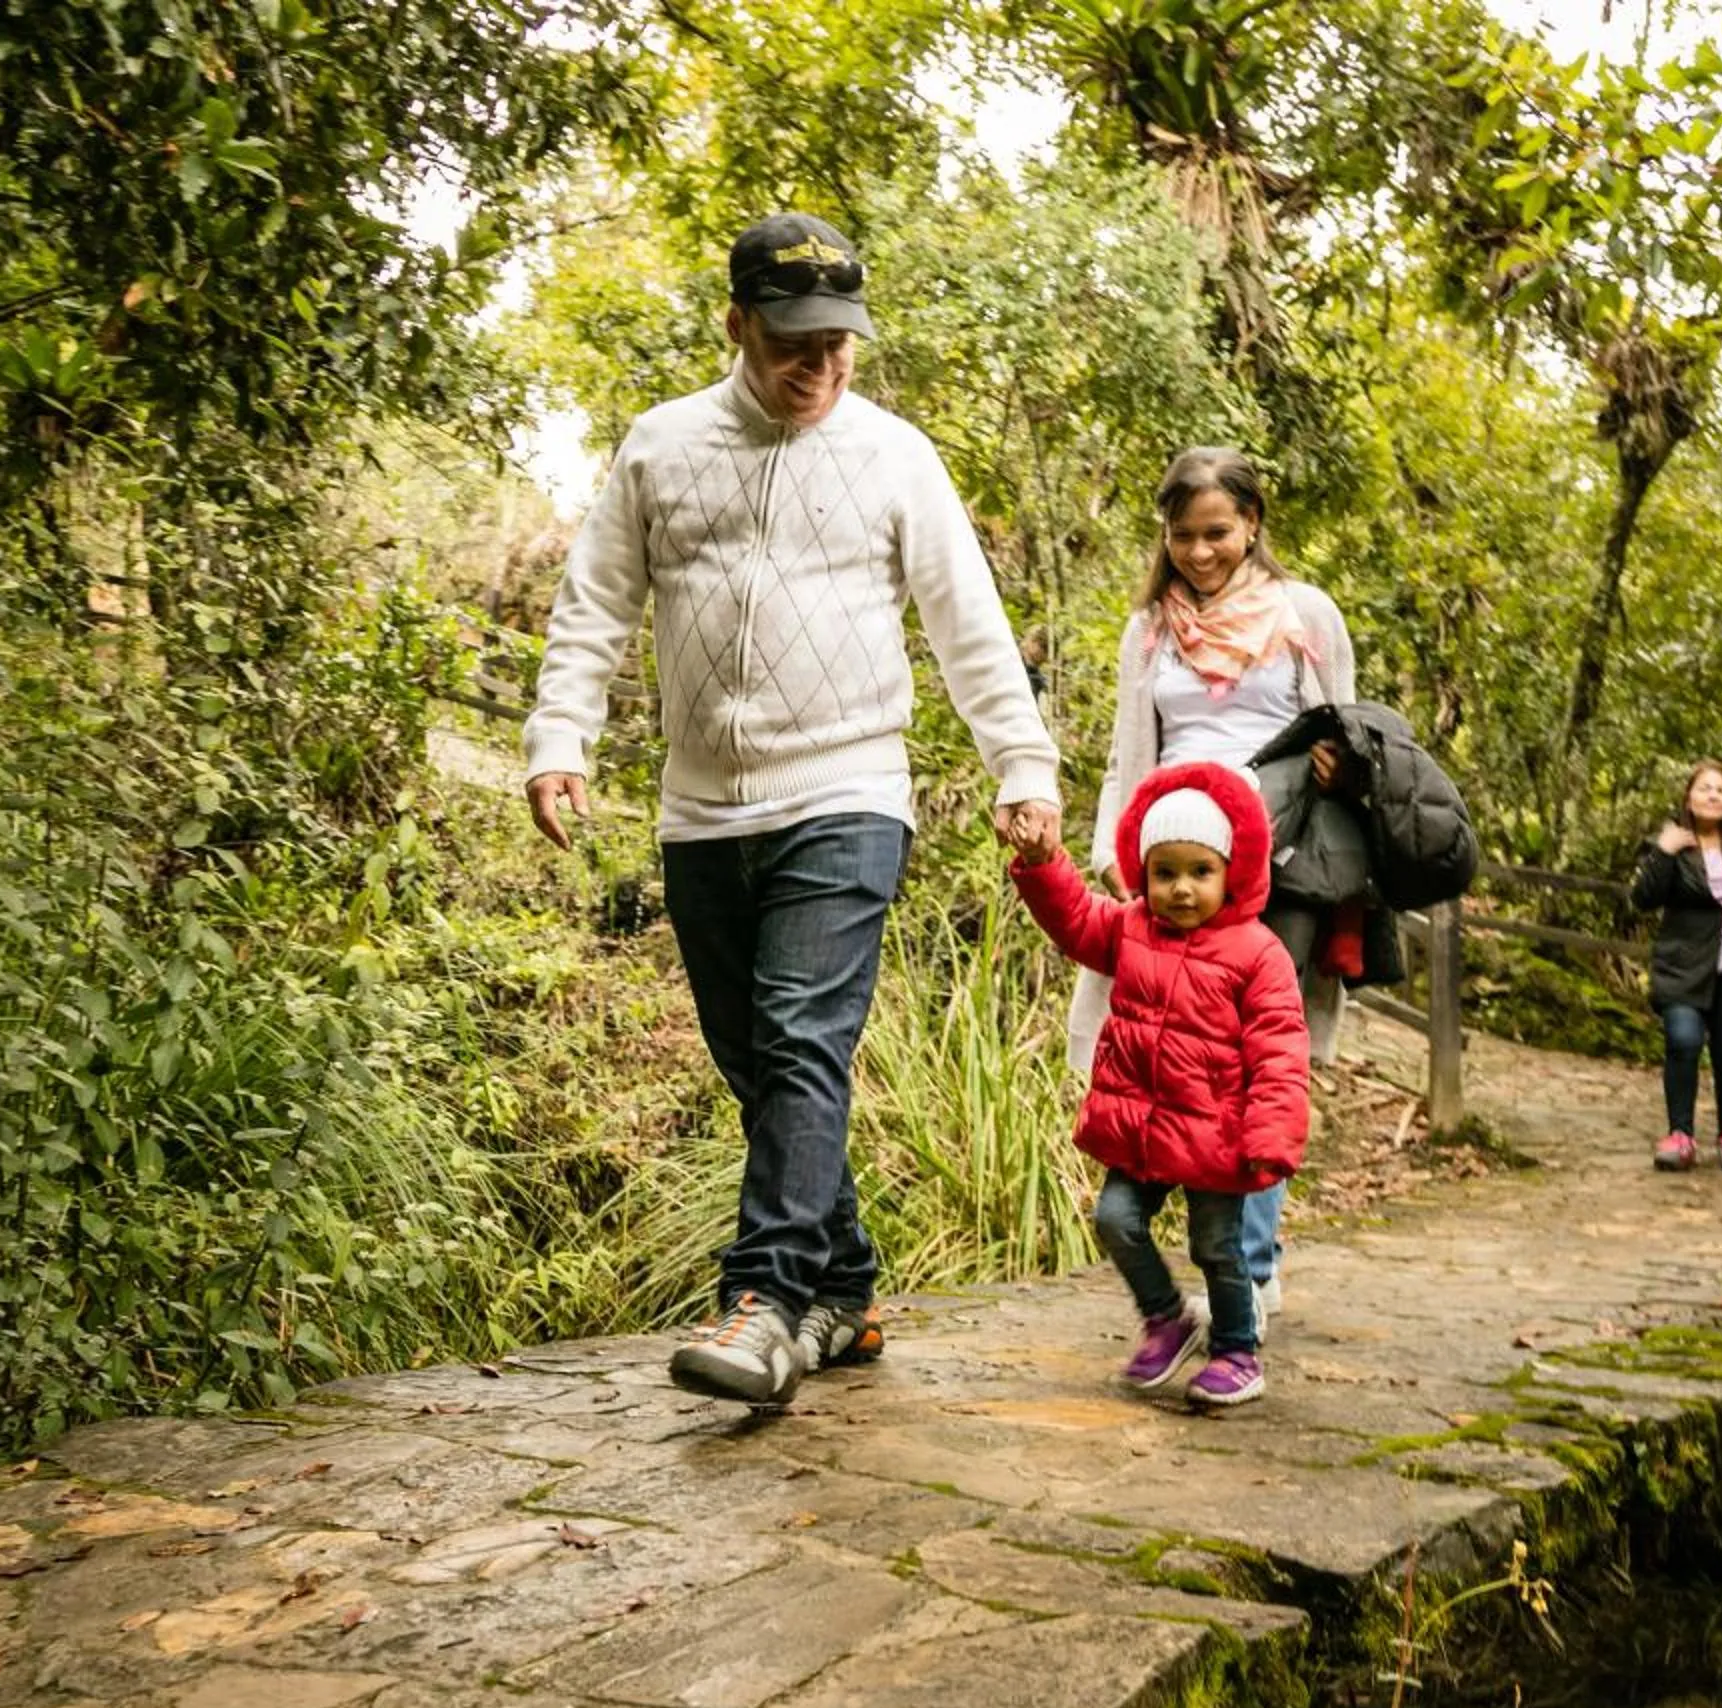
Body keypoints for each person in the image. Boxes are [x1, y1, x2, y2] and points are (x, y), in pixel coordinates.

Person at [520, 213, 1061, 1404]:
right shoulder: (660, 449)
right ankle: (846, 1291)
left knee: (804, 1041)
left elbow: (966, 621)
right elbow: (595, 603)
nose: (818, 367)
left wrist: (1023, 763)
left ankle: (762, 1299)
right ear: (737, 326)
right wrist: (557, 738)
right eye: (792, 343)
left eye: (839, 344)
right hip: (703, 811)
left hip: (849, 788)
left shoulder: (894, 456)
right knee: (762, 1065)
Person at [1076, 447, 1356, 1321]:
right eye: (1184, 535)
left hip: (1278, 859)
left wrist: (1334, 764)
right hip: (1173, 861)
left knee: (1263, 1060)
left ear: (1253, 525)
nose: (1201, 552)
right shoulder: (1150, 629)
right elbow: (1133, 746)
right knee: (1174, 1053)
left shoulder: (1305, 614)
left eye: (1219, 533)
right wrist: (1119, 857)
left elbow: (1347, 725)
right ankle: (1203, 1255)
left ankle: (1253, 1266)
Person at [1013, 762, 1310, 1407]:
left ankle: (1236, 1350)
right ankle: (1165, 1317)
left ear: (1230, 871)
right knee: (1116, 1218)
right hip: (1146, 1125)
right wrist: (1043, 863)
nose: (1181, 889)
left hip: (1216, 1133)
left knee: (1217, 1247)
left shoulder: (1257, 953)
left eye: (1200, 872)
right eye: (1164, 872)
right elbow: (1073, 919)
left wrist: (1271, 1132)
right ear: (1143, 872)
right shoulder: (1130, 929)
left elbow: (1281, 1049)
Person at [1631, 760, 1722, 1172]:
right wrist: (1664, 852)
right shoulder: (1669, 843)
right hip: (1682, 963)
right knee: (1683, 1041)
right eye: (1704, 788)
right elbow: (1643, 898)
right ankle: (1680, 1134)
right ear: (1688, 796)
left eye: (1721, 790)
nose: (1712, 795)